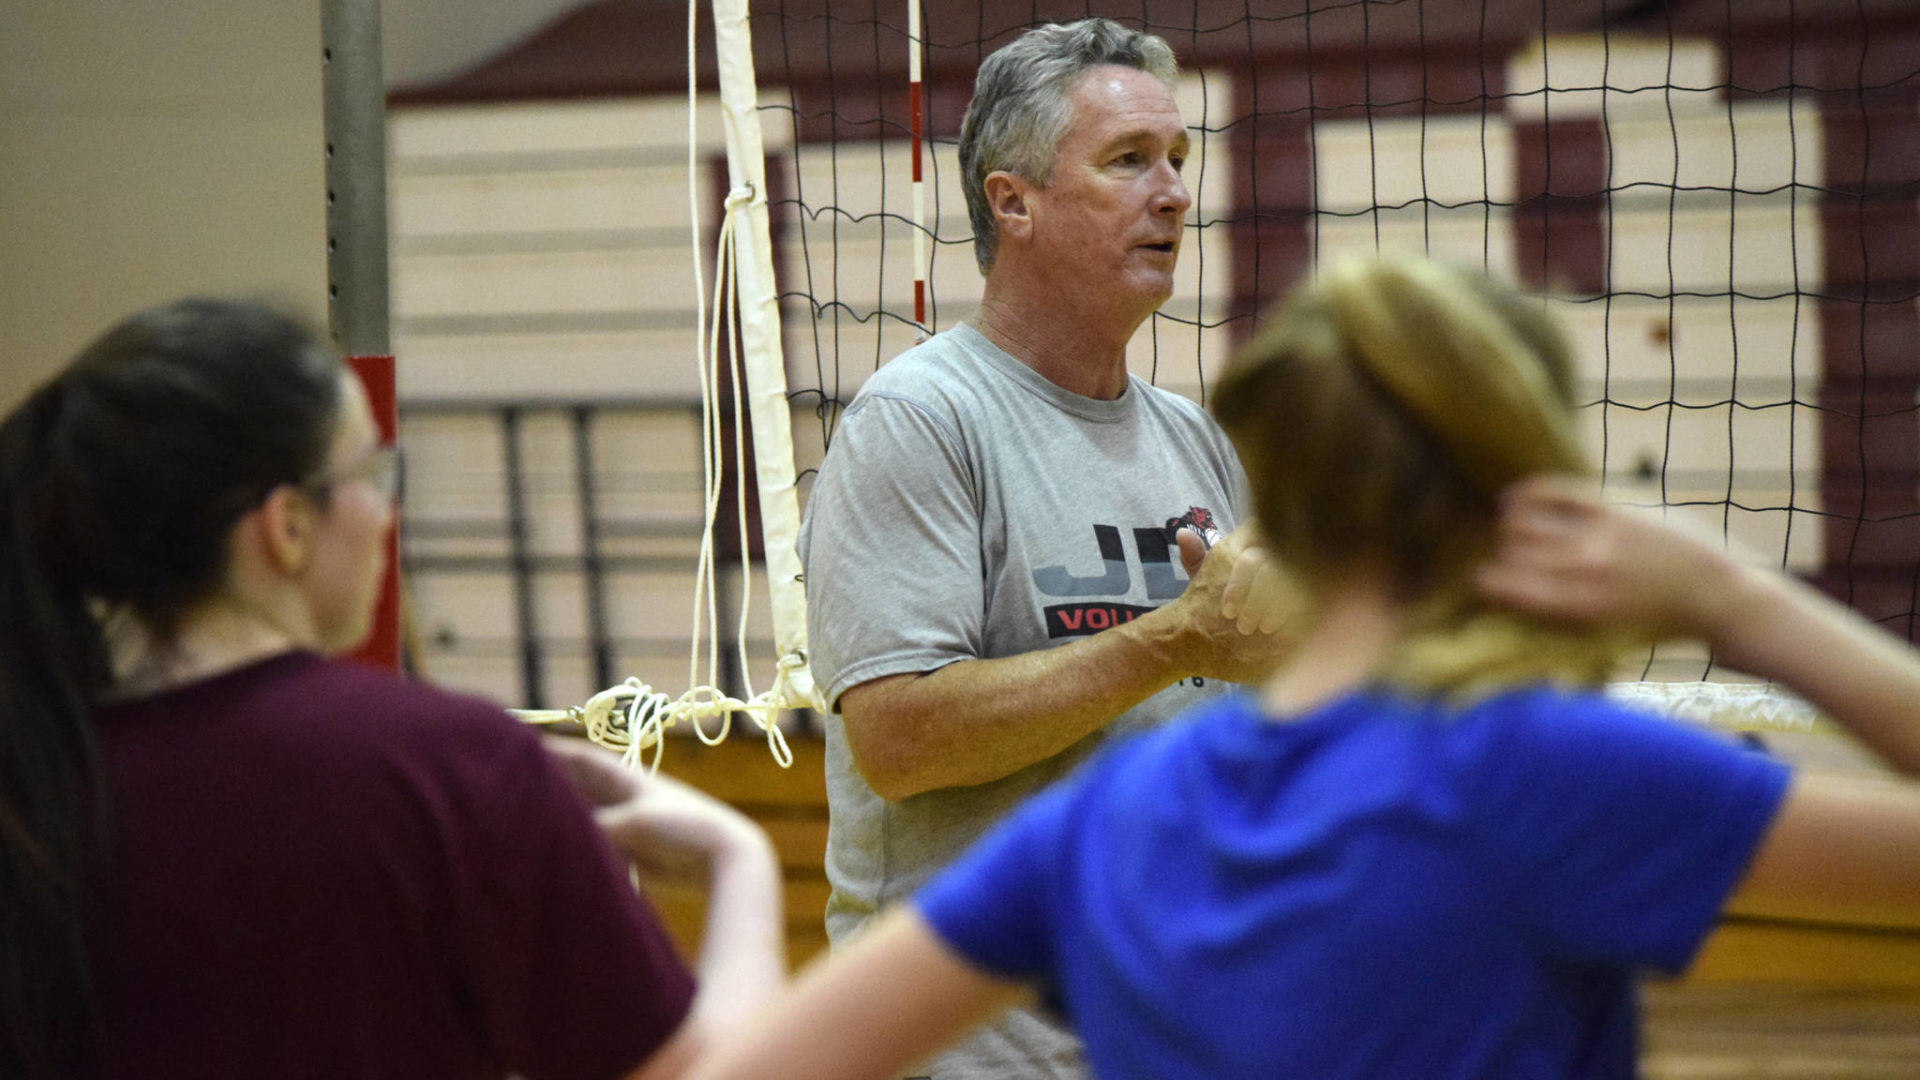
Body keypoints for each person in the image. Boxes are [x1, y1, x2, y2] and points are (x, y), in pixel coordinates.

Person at [690, 258, 1920, 1080]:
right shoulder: (1534, 771)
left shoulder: (1122, 811)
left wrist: (733, 865)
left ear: (1276, 495)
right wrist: (1736, 598)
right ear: (1526, 484)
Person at [0, 298, 783, 1079]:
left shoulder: (35, 776)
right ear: (288, 526)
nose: (386, 510)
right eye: (373, 472)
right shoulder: (449, 766)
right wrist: (739, 861)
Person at [795, 17, 1293, 1077]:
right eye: (1127, 162)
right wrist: (1170, 642)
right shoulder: (921, 420)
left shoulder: (1192, 439)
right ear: (1011, 201)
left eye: (1177, 161)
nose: (1172, 194)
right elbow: (899, 740)